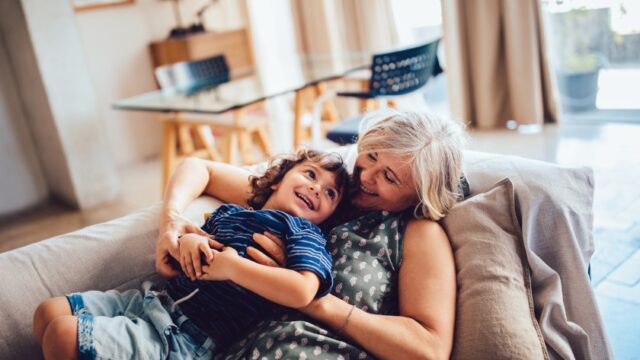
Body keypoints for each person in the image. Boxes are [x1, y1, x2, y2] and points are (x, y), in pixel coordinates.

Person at [155, 109, 467, 359]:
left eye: (389, 177)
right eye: (371, 155)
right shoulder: (321, 197)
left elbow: (428, 348)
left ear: (418, 196)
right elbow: (203, 170)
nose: (365, 176)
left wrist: (309, 298)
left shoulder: (418, 233)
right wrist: (172, 218)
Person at [32, 149, 350, 360]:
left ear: (328, 217)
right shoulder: (231, 212)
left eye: (330, 193)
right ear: (279, 178)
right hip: (150, 301)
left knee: (62, 335)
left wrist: (234, 268)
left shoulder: (304, 234)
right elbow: (200, 235)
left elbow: (302, 290)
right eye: (310, 174)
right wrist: (187, 242)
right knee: (48, 312)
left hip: (186, 339)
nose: (316, 189)